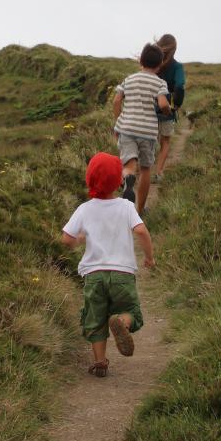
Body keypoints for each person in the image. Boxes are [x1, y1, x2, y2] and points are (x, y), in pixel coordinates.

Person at [61, 152, 155, 377]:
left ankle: (100, 362)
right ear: (118, 182)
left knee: (95, 319)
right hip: (122, 274)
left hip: (93, 275)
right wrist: (149, 257)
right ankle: (122, 321)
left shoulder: (84, 209)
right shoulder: (125, 206)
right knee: (131, 311)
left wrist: (80, 240)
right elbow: (141, 230)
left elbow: (66, 239)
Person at [112, 43, 170, 214]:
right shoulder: (160, 83)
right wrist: (167, 111)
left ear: (141, 61)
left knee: (129, 165)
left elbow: (116, 101)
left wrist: (119, 121)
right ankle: (140, 209)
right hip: (148, 131)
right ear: (159, 65)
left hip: (127, 128)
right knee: (145, 169)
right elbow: (163, 103)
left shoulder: (129, 79)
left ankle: (128, 178)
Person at [154, 33, 186, 181]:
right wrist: (177, 105)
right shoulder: (177, 67)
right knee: (165, 141)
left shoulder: (153, 64)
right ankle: (158, 172)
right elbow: (180, 86)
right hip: (167, 109)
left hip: (149, 109)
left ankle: (141, 169)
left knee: (147, 141)